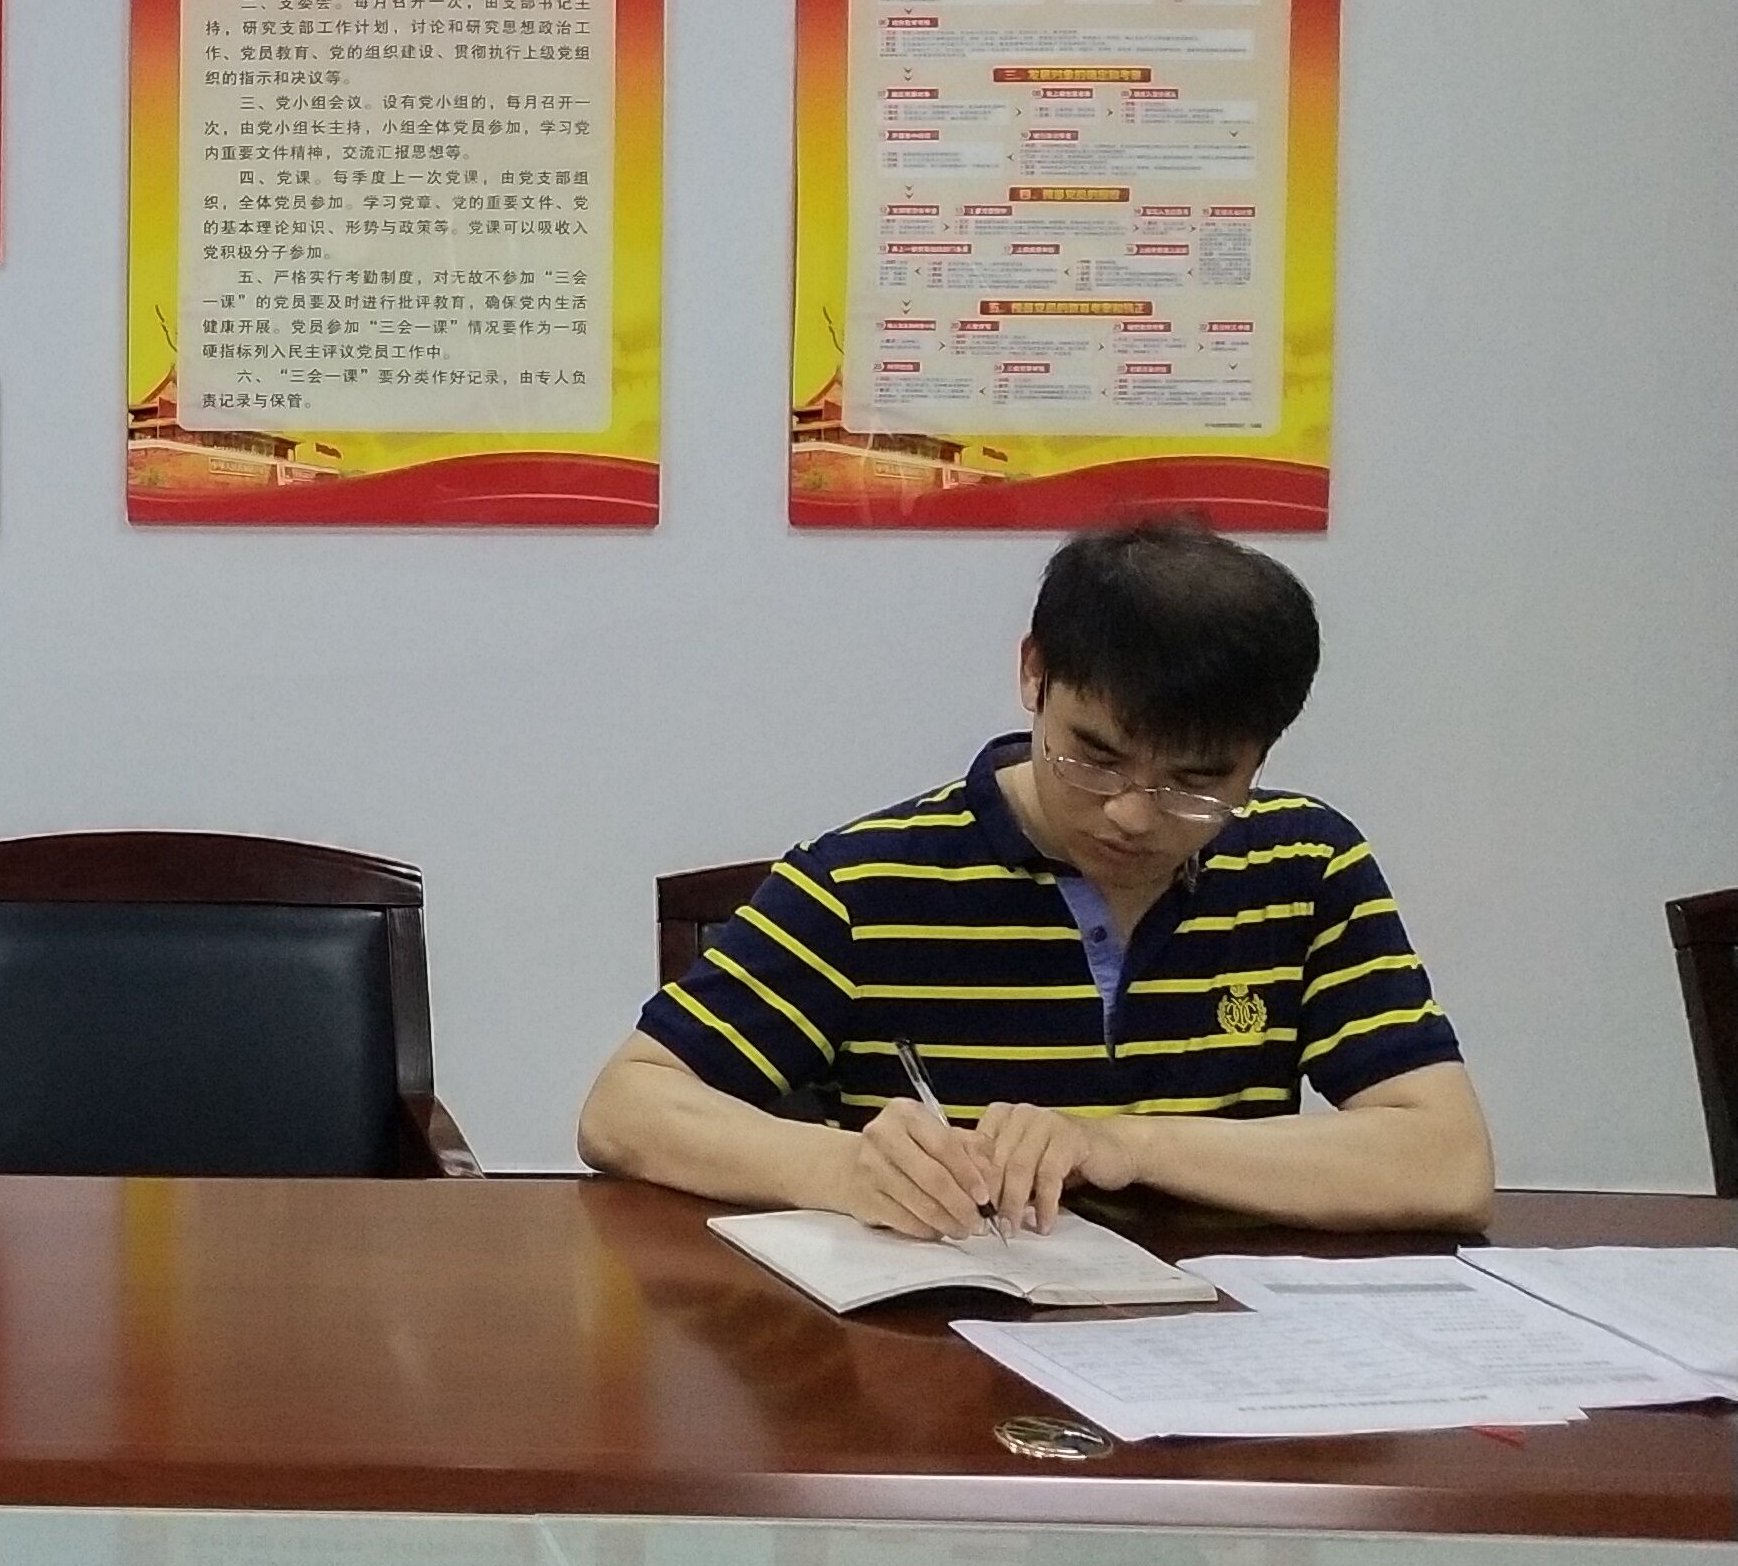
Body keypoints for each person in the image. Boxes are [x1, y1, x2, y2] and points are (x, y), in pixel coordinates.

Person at [578, 518, 1491, 1236]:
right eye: (1095, 757)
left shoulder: (1306, 865)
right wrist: (845, 1169)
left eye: (1196, 782)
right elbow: (626, 1108)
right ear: (1033, 676)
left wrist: (1124, 1144)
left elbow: (1446, 1164)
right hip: (937, 1353)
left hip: (1216, 1354)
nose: (1132, 814)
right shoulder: (867, 881)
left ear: (1263, 756)